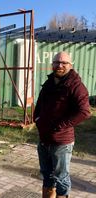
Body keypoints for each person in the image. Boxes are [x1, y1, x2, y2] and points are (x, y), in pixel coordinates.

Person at [34, 51, 91, 198]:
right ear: (52, 65)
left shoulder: (75, 85)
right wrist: (37, 118)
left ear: (70, 66)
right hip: (44, 138)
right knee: (47, 174)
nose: (59, 65)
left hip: (61, 141)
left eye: (64, 63)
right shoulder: (50, 82)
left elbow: (84, 111)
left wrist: (60, 125)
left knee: (61, 177)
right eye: (56, 62)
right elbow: (40, 102)